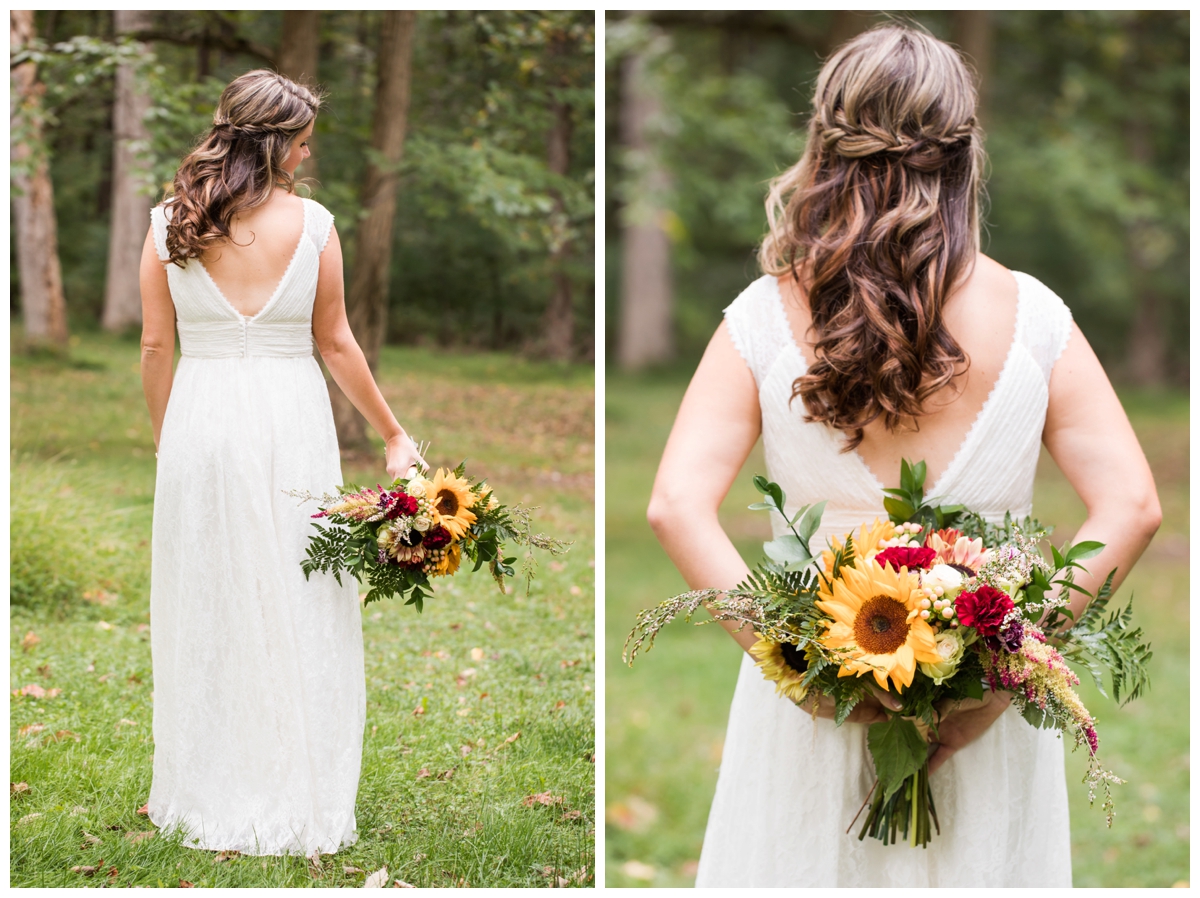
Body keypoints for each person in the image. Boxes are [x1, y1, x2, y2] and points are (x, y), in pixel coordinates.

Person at [646, 26, 1160, 888]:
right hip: (981, 704)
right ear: (963, 149)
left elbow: (675, 506)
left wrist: (802, 672)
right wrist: (1003, 679)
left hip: (813, 707)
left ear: (824, 140)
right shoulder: (1033, 318)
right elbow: (1133, 507)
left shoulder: (764, 316)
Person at [138, 69, 425, 856]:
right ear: (275, 142)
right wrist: (394, 433)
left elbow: (156, 345)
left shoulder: (171, 222)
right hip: (291, 420)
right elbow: (335, 342)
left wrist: (172, 439)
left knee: (211, 595)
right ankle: (295, 784)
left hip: (200, 417)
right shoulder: (317, 224)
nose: (308, 150)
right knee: (302, 592)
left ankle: (209, 785)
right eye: (302, 138)